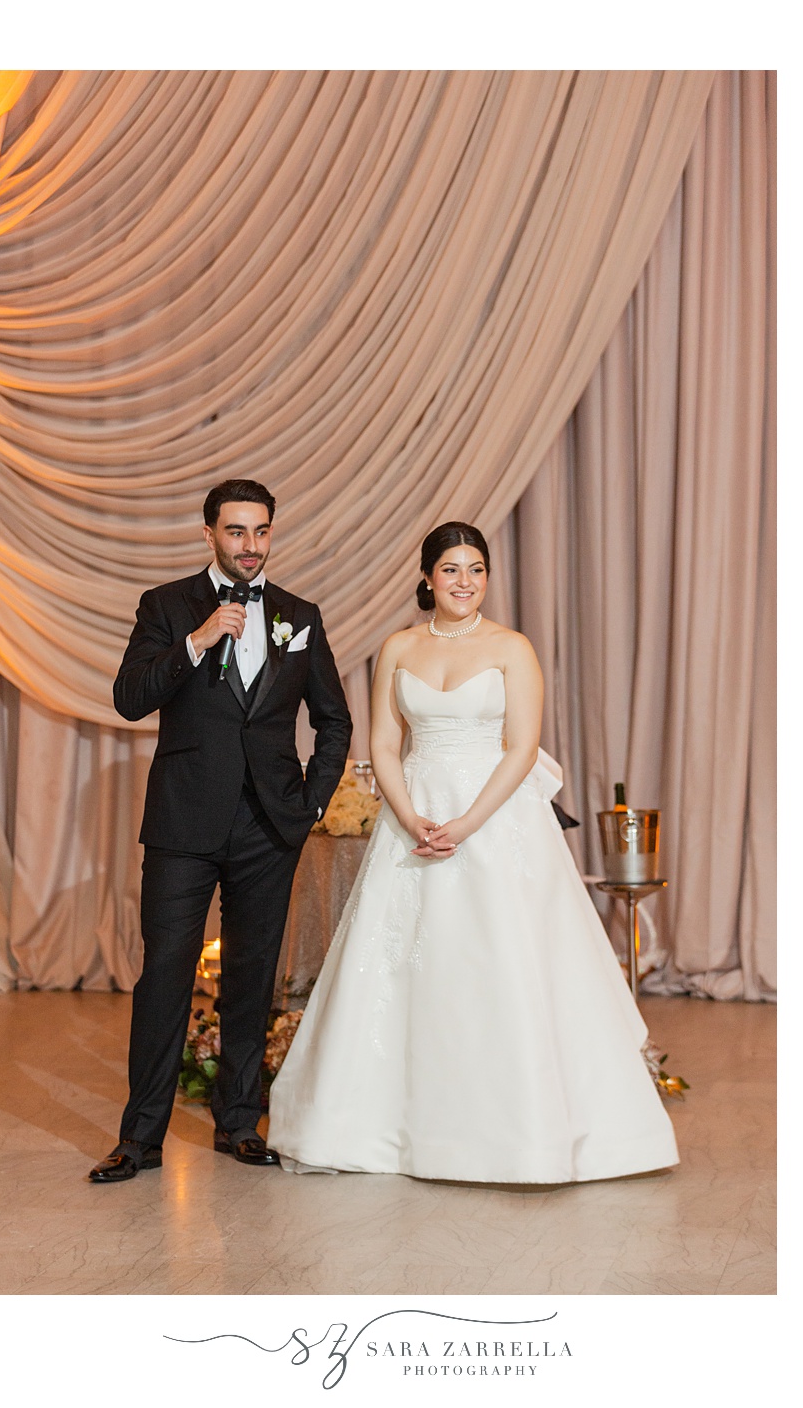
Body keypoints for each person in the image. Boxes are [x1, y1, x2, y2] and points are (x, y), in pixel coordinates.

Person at [267, 522, 678, 1183]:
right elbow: (385, 745)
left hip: (495, 816)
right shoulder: (398, 647)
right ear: (427, 576)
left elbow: (520, 747)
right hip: (415, 815)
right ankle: (387, 1127)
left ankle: (524, 1133)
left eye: (476, 568)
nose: (465, 581)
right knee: (404, 966)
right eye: (452, 569)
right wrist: (409, 818)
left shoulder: (512, 647)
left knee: (504, 963)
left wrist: (465, 823)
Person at [88, 480, 352, 1180]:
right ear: (208, 533)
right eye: (235, 531)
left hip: (268, 824)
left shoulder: (300, 615)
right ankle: (139, 1138)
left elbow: (334, 720)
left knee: (249, 977)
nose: (250, 545)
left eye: (260, 531)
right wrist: (197, 641)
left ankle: (238, 1123)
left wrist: (311, 803)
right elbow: (129, 697)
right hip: (182, 822)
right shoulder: (166, 604)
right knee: (165, 976)